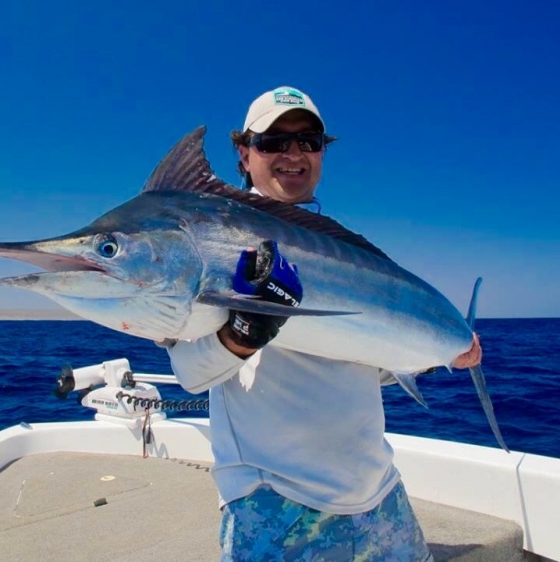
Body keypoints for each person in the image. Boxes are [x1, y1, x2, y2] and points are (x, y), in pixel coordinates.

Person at [166, 86, 482, 561]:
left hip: (380, 494)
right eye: (274, 142)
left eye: (307, 141)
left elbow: (365, 366)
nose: (293, 154)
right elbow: (191, 374)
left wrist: (434, 356)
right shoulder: (207, 237)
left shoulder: (344, 250)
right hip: (276, 504)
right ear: (245, 153)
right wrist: (242, 333)